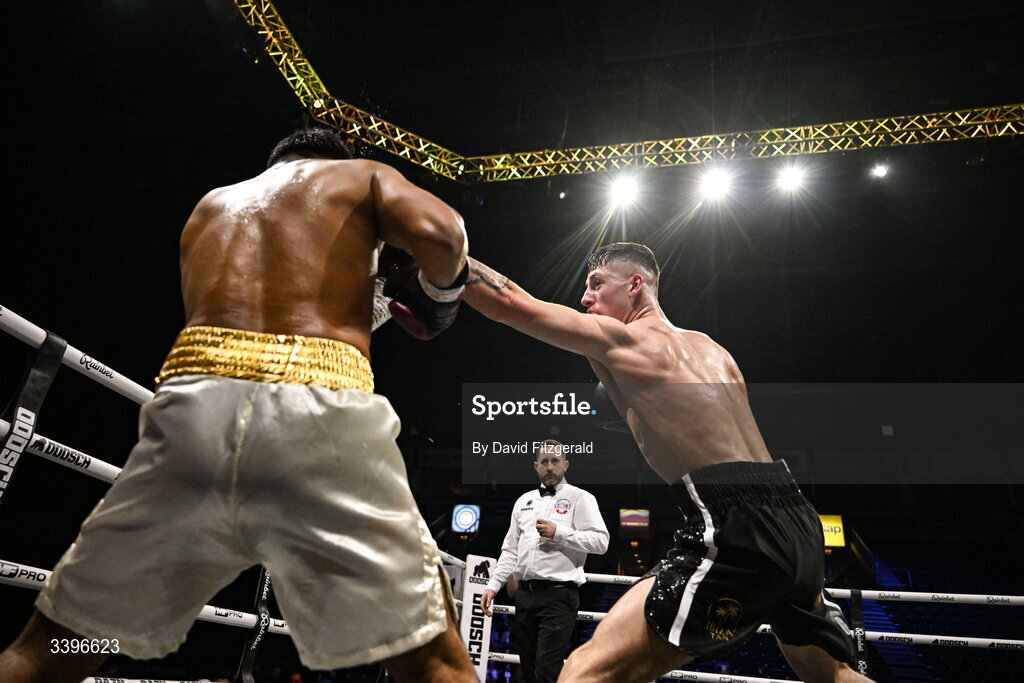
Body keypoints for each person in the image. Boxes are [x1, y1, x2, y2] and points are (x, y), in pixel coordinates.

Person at [0, 127, 477, 682]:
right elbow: (444, 237)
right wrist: (441, 295)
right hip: (318, 419)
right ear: (334, 161)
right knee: (430, 662)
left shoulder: (210, 207)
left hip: (192, 421)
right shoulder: (361, 176)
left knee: (59, 649)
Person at [459, 243, 871, 683]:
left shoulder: (625, 341)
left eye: (597, 284)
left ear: (636, 285)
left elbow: (509, 303)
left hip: (734, 527)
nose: (585, 298)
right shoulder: (714, 351)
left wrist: (440, 255)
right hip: (796, 520)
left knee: (584, 672)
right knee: (830, 673)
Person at [480, 440, 609, 683]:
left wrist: (559, 533)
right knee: (528, 669)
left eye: (555, 461)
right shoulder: (523, 501)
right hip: (525, 596)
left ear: (566, 465)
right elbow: (510, 550)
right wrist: (492, 585)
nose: (550, 467)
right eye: (545, 462)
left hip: (559, 597)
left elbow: (601, 542)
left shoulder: (580, 498)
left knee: (546, 669)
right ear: (536, 466)